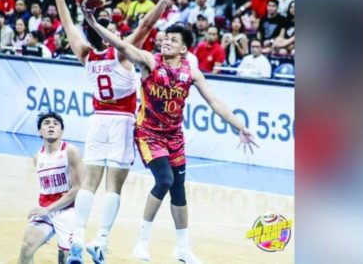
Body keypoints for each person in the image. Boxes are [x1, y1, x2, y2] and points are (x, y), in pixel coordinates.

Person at [80, 14, 258, 263]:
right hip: (148, 134)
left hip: (174, 137)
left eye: (173, 40)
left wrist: (240, 126)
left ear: (184, 48)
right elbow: (122, 46)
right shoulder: (150, 61)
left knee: (179, 192)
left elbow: (214, 102)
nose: (166, 43)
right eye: (165, 39)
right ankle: (141, 240)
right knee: (164, 179)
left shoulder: (191, 73)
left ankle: (183, 248)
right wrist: (96, 26)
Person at [41, 0, 180, 263]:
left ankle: (76, 235)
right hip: (122, 122)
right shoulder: (122, 54)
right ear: (109, 35)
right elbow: (146, 24)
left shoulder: (86, 55)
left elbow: (67, 25)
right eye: (113, 29)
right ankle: (101, 240)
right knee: (113, 187)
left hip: (97, 121)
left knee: (89, 183)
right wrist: (164, 2)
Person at [17, 112, 83, 264]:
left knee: (66, 259)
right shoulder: (37, 157)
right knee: (27, 246)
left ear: (61, 131)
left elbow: (78, 188)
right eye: (46, 123)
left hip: (68, 209)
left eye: (55, 123)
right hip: (46, 209)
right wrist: (46, 209)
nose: (51, 125)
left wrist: (49, 209)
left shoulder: (70, 151)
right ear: (40, 131)